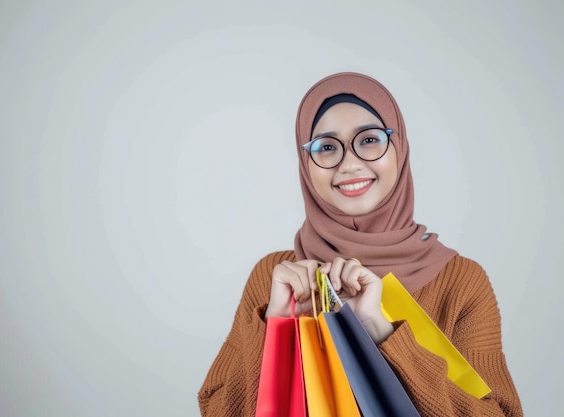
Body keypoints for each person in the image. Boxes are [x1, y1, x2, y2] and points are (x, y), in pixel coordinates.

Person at [198, 72, 523, 416]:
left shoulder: (460, 282)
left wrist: (380, 331)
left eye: (369, 140)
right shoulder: (276, 279)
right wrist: (276, 326)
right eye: (326, 147)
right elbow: (216, 408)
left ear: (399, 147)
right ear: (306, 164)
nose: (350, 164)